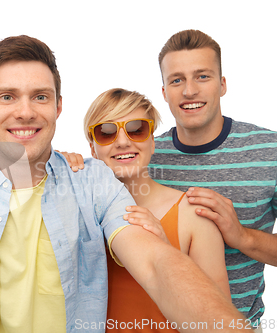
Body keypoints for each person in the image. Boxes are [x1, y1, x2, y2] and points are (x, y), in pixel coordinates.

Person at [0, 35, 250, 333]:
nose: (25, 111)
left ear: (58, 106)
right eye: (7, 97)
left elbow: (158, 264)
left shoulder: (92, 181)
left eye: (40, 97)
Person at [149, 29, 277, 330]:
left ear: (222, 85)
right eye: (176, 80)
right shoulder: (145, 156)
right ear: (164, 93)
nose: (189, 91)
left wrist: (242, 236)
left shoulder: (273, 149)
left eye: (202, 76)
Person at [83, 88, 230, 332]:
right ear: (92, 149)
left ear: (152, 142)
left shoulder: (194, 216)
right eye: (106, 132)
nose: (122, 141)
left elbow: (216, 321)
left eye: (136, 129)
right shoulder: (79, 212)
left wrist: (167, 253)